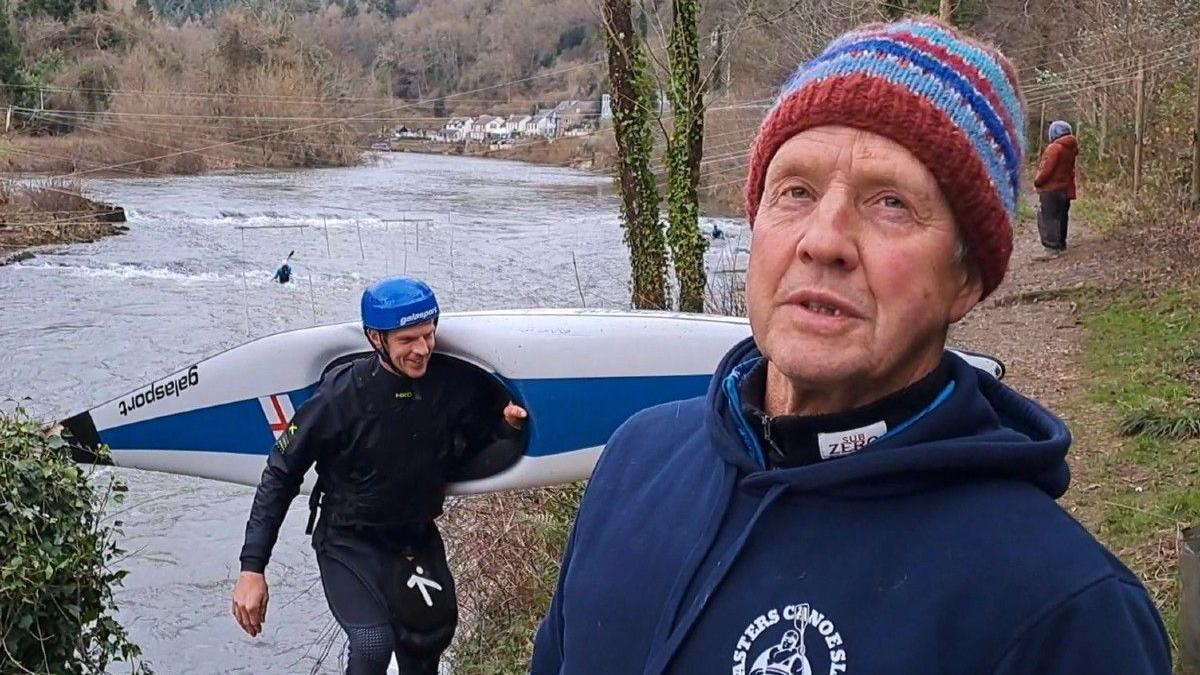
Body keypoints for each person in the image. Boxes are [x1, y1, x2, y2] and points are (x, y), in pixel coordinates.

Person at [532, 18, 1170, 674]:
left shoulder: (1062, 609)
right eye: (796, 192)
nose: (823, 239)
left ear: (968, 278)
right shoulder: (637, 459)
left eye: (891, 203)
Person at [233, 275, 528, 674]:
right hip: (349, 540)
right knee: (372, 642)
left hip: (415, 538)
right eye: (407, 340)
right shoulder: (339, 398)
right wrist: (253, 568)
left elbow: (478, 446)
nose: (422, 349)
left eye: (428, 335)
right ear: (376, 338)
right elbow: (280, 475)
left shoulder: (452, 386)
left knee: (430, 638)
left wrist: (508, 428)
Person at [1034, 120, 1078, 255]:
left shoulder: (1054, 148)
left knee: (1048, 217)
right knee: (1061, 216)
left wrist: (1038, 181)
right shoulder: (1071, 147)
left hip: (1051, 188)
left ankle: (1051, 248)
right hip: (1065, 188)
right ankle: (1060, 243)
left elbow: (1046, 169)